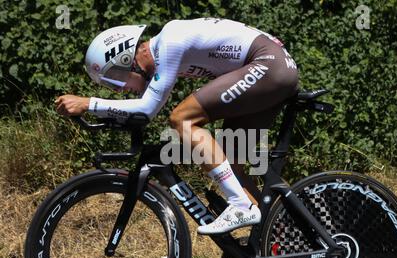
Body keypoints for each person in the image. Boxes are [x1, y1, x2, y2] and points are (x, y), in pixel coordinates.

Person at [54, 18, 298, 235]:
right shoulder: (169, 47)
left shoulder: (170, 41)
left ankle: (240, 204)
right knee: (228, 159)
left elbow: (147, 109)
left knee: (182, 119)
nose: (122, 90)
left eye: (117, 83)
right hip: (275, 68)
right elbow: (142, 109)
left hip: (268, 65)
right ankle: (281, 239)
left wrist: (89, 103)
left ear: (126, 60)